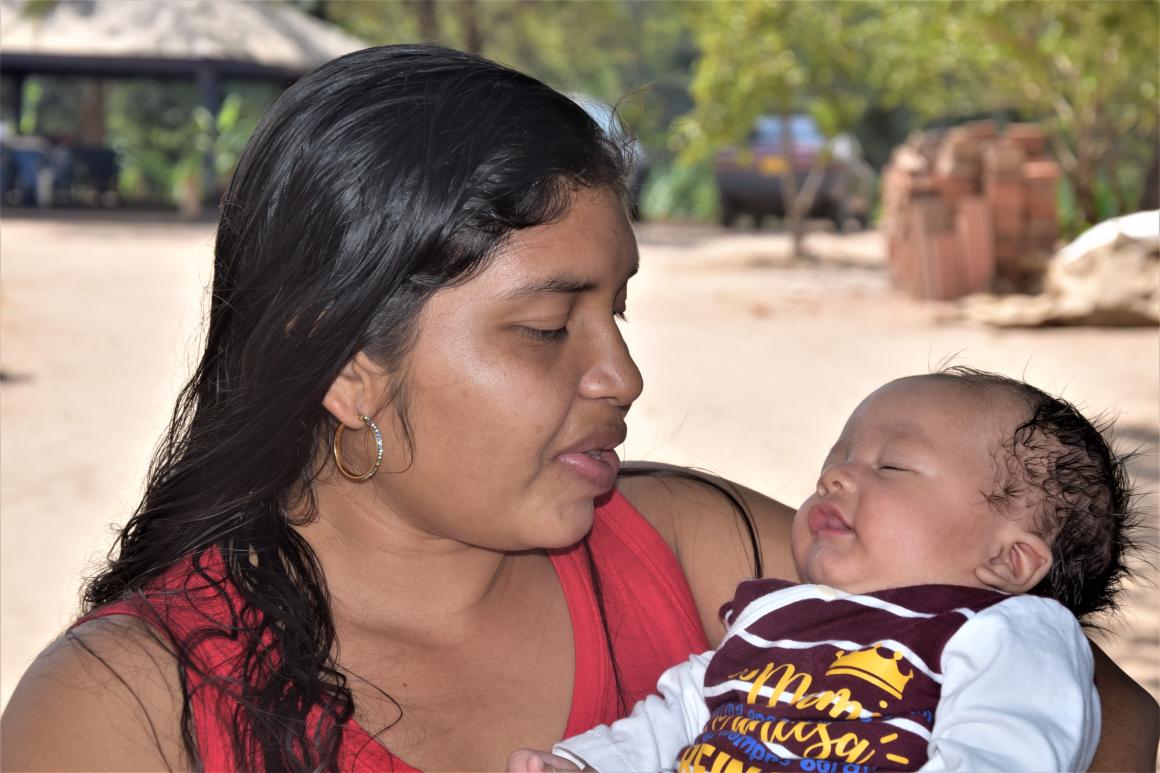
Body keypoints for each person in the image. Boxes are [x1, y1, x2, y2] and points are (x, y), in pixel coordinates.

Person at [0, 45, 1155, 772]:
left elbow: (1105, 720)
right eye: (549, 327)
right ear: (347, 365)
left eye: (620, 308)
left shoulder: (703, 552)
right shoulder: (127, 711)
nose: (622, 375)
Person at [509, 370, 1140, 772]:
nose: (834, 477)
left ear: (1009, 558)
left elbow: (1007, 750)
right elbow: (678, 715)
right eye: (837, 460)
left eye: (891, 466)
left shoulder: (1004, 634)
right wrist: (587, 764)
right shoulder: (775, 619)